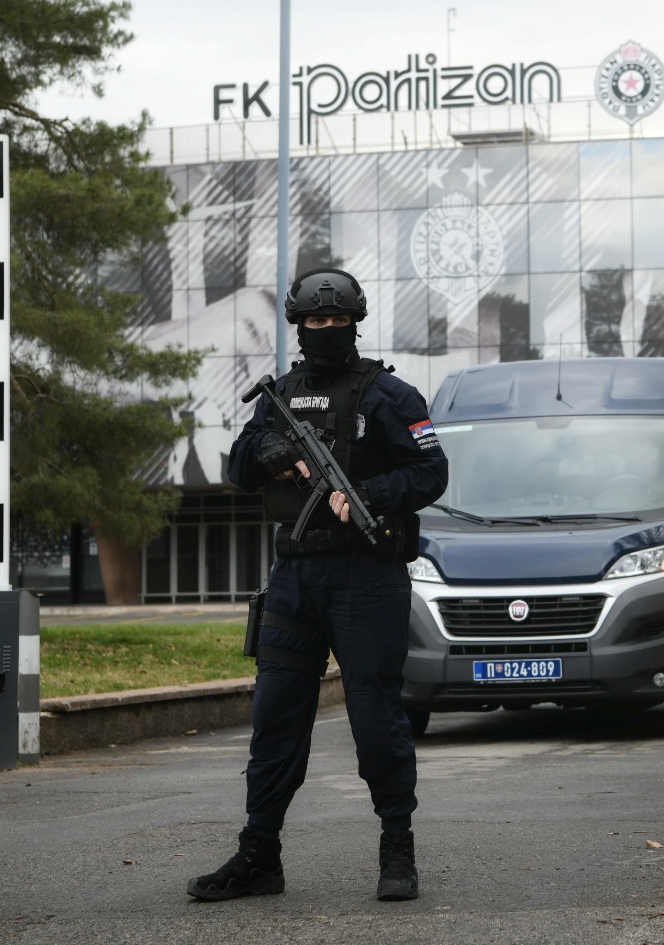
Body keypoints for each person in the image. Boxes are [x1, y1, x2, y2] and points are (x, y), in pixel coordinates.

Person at [188, 267, 448, 903]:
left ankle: (397, 848)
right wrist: (274, 449)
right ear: (298, 326)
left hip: (367, 576)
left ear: (354, 322)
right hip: (295, 576)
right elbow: (240, 466)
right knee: (275, 719)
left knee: (375, 714)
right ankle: (259, 855)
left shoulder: (391, 395)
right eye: (315, 321)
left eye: (337, 321)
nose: (326, 330)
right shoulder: (279, 395)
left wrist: (370, 494)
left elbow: (432, 471)